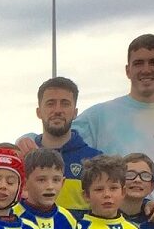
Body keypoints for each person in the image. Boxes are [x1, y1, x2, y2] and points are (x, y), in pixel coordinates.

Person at [74, 34, 154, 208]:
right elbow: (56, 140)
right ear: (127, 70)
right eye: (138, 63)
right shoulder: (99, 115)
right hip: (112, 226)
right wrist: (28, 139)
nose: (146, 69)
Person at [19, 77, 102, 212]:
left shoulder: (96, 161)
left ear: (75, 112)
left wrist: (146, 204)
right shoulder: (23, 158)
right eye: (50, 103)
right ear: (38, 112)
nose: (57, 110)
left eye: (65, 103)